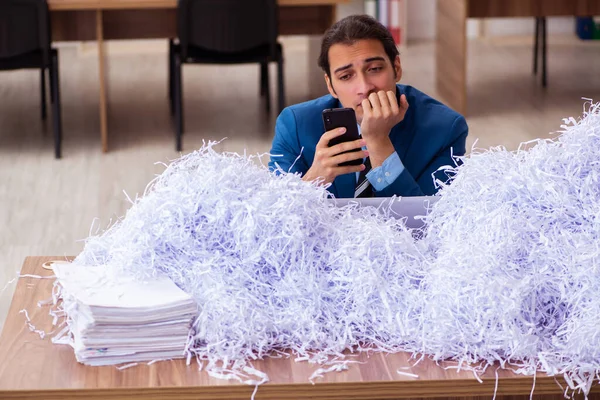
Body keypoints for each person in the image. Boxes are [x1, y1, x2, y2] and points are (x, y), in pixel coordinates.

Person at [268, 14, 468, 198]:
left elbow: (427, 223)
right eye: (346, 76)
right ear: (330, 85)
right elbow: (273, 220)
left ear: (396, 68)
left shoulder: (446, 128)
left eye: (374, 69)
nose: (364, 88)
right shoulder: (294, 125)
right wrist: (314, 180)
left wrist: (378, 142)